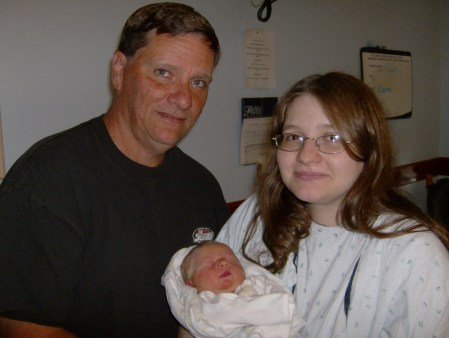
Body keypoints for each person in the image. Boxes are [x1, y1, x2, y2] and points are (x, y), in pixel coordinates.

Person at [0, 2, 229, 337]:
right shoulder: (48, 178)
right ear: (120, 71)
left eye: (199, 82)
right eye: (164, 73)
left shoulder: (202, 186)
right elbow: (21, 326)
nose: (183, 98)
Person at [217, 72, 449, 338]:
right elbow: (198, 302)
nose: (306, 156)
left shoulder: (414, 254)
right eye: (294, 137)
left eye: (332, 137)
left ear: (369, 148)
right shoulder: (256, 214)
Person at [162, 241, 303, 338]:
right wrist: (278, 307)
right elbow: (224, 315)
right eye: (209, 264)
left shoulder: (256, 282)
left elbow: (282, 298)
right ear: (191, 285)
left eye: (231, 260)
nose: (223, 263)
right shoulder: (202, 305)